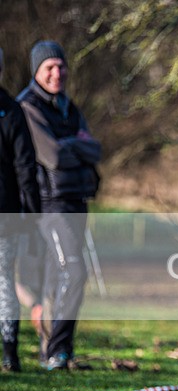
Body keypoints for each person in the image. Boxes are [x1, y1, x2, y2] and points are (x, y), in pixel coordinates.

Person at [17, 41, 101, 371]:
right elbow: (51, 155)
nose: (57, 72)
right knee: (74, 270)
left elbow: (96, 150)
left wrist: (76, 148)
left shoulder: (69, 106)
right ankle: (57, 350)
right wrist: (75, 146)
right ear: (36, 71)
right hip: (49, 206)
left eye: (61, 66)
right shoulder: (29, 107)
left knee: (59, 278)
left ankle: (54, 352)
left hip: (76, 199)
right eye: (49, 67)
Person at [0, 47, 41, 372]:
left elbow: (26, 168)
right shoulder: (12, 110)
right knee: (3, 281)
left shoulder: (12, 111)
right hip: (10, 214)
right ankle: (10, 353)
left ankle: (11, 353)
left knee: (3, 281)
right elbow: (26, 168)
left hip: (7, 215)